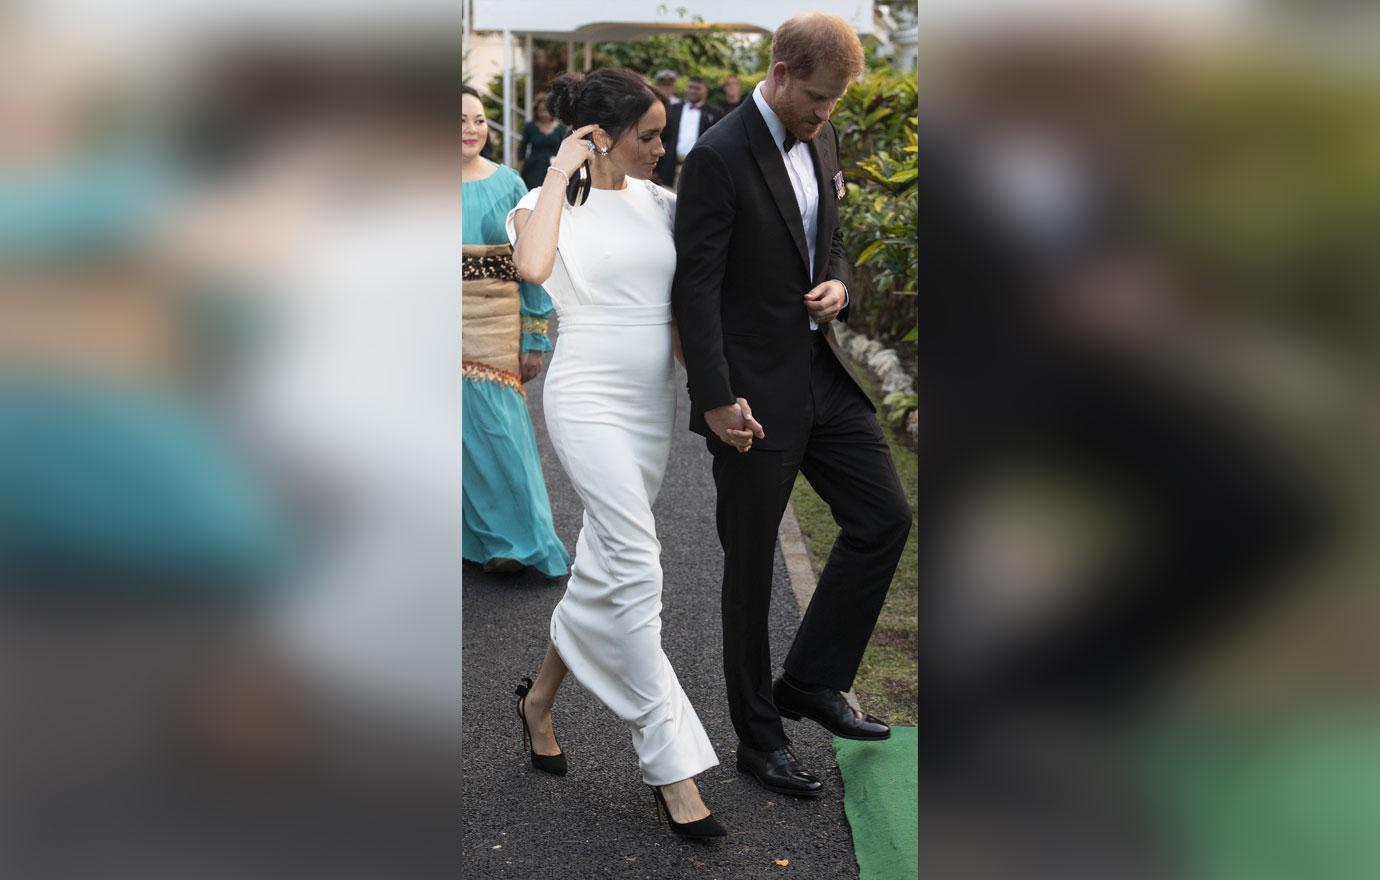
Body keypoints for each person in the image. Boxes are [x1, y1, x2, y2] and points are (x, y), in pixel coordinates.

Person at [671, 12, 912, 798]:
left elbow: (828, 236)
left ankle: (810, 681)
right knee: (749, 570)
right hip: (751, 398)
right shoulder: (716, 156)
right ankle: (758, 741)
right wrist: (714, 399)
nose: (824, 114)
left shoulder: (825, 134)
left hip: (822, 374)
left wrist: (837, 280)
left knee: (884, 519)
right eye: (815, 98)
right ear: (778, 72)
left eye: (835, 102)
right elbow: (696, 289)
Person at [505, 68, 726, 839]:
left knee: (604, 562)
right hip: (587, 395)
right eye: (649, 135)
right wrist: (561, 169)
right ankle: (672, 767)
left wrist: (713, 395)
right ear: (601, 136)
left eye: (664, 134)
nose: (663, 148)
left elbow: (684, 315)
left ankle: (538, 701)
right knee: (636, 564)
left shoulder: (666, 205)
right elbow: (532, 271)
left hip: (648, 405)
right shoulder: (539, 209)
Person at [461, 85, 569, 578]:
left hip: (493, 329)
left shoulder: (509, 184)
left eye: (480, 120)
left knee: (500, 435)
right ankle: (474, 542)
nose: (471, 129)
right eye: (461, 120)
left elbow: (533, 268)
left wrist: (533, 338)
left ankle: (524, 542)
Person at [654, 75, 721, 190]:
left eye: (697, 88)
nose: (693, 91)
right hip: (671, 167)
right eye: (690, 87)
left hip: (699, 169)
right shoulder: (672, 109)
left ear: (705, 90)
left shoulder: (714, 113)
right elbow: (660, 137)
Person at [517, 93, 568, 191]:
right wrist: (519, 169)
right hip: (533, 169)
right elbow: (522, 149)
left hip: (554, 167)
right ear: (536, 111)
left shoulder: (561, 128)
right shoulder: (530, 127)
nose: (544, 114)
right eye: (541, 110)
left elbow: (565, 149)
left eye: (546, 110)